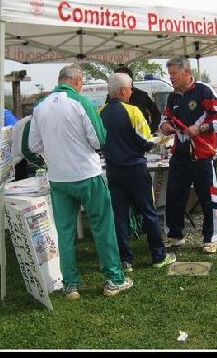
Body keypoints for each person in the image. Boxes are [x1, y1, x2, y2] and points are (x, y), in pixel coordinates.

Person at [29, 64, 132, 299]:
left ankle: (70, 284)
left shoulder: (40, 106)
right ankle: (113, 279)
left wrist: (53, 153)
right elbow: (99, 140)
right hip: (87, 174)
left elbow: (33, 145)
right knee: (103, 227)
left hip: (58, 178)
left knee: (65, 233)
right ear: (77, 82)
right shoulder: (81, 102)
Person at [99, 72, 176, 272]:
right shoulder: (133, 111)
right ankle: (158, 256)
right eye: (131, 88)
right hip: (135, 168)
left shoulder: (100, 112)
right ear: (124, 90)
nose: (132, 92)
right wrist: (160, 140)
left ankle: (125, 260)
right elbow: (146, 141)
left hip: (113, 170)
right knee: (148, 212)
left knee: (119, 216)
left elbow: (98, 142)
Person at [159, 57, 217, 254]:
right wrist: (165, 126)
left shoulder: (204, 91)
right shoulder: (172, 97)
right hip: (179, 156)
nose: (171, 78)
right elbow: (165, 118)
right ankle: (174, 235)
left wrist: (201, 128)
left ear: (187, 72)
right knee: (173, 197)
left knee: (208, 198)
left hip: (202, 156)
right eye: (170, 74)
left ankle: (211, 238)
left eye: (174, 74)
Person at [112, 66, 162, 134]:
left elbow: (157, 114)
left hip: (140, 137)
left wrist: (150, 130)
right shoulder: (111, 97)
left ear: (130, 81)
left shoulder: (141, 96)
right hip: (119, 137)